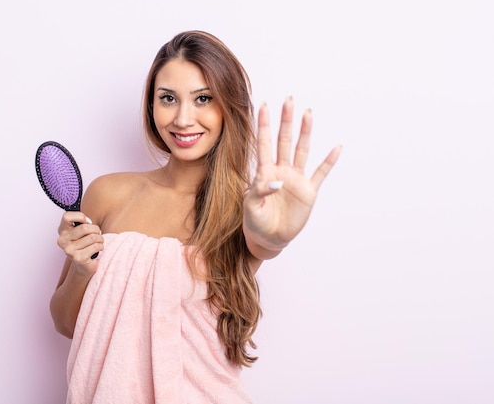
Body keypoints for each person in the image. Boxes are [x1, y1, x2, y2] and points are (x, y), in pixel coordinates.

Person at [50, 30, 341, 404]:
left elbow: (264, 242)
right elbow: (65, 323)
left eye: (203, 98)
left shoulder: (248, 209)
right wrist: (80, 271)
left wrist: (275, 238)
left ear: (227, 106)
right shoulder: (107, 193)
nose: (183, 118)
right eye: (167, 98)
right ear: (151, 106)